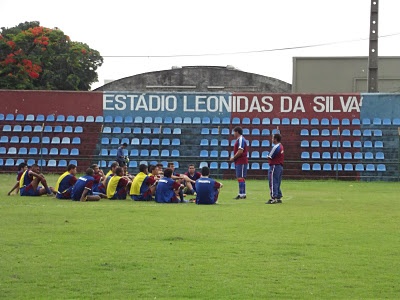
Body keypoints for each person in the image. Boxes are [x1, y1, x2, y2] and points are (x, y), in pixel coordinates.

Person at [229, 126, 248, 199]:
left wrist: (233, 158)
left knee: (241, 177)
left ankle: (242, 194)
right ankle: (241, 193)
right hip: (239, 161)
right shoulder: (239, 140)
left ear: (237, 132)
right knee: (240, 177)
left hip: (241, 161)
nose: (233, 134)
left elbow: (240, 151)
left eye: (234, 132)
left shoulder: (241, 140)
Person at [266, 133, 284, 204]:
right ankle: (278, 196)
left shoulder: (275, 147)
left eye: (273, 138)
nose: (272, 139)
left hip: (274, 166)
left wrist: (268, 155)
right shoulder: (281, 146)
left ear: (275, 139)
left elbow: (269, 156)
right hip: (280, 166)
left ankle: (274, 197)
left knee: (273, 181)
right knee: (277, 182)